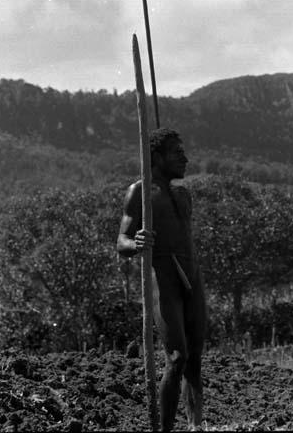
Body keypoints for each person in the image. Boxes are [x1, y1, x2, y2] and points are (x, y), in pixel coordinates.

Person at [117, 128, 206, 432]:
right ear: (156, 157)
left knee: (195, 357)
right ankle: (164, 430)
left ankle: (196, 426)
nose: (186, 159)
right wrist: (137, 243)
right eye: (177, 154)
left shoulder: (182, 193)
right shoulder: (139, 192)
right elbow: (122, 241)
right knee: (178, 357)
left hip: (192, 276)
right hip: (163, 278)